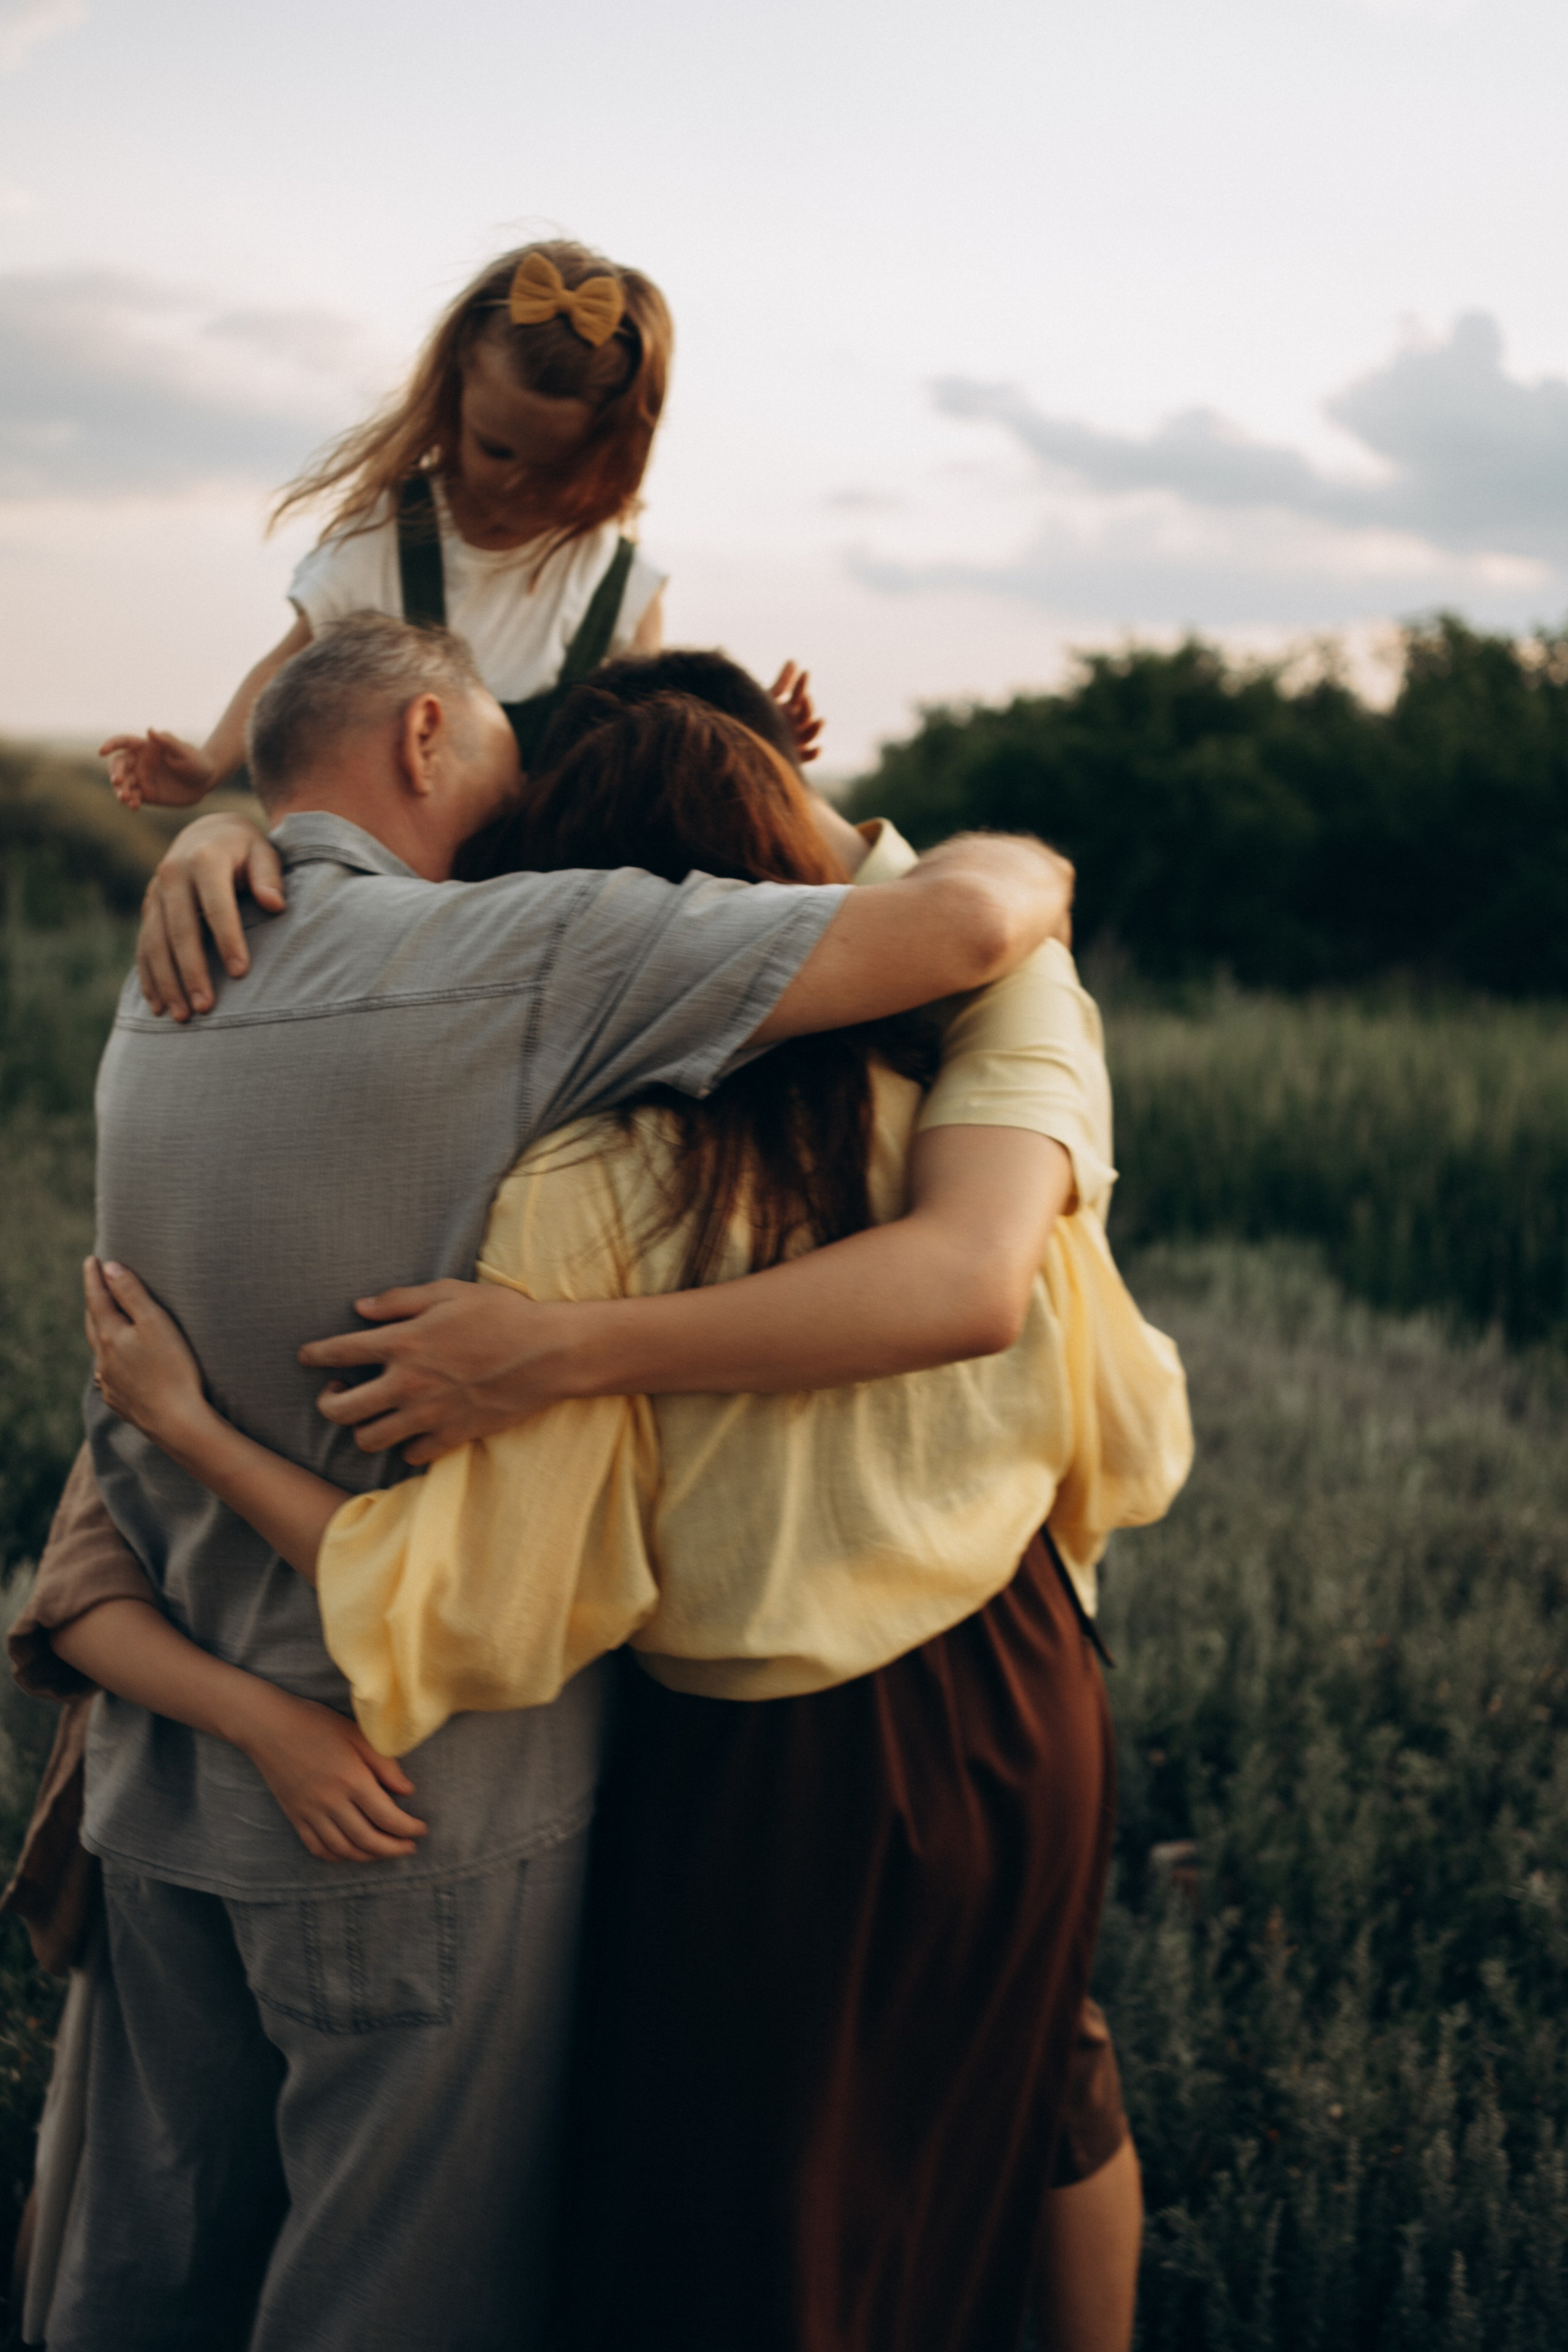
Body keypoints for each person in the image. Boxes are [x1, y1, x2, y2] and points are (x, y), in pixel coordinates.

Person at [55, 679, 1186, 2350]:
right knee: (1014, 2101)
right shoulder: (1004, 1026)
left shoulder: (582, 1198)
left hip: (775, 1747)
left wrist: (191, 1429)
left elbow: (476, 1599)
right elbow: (1105, 1399)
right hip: (1026, 1678)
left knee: (771, 2223)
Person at [96, 235, 822, 859]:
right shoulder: (394, 533)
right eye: (495, 449)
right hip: (386, 887)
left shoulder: (615, 580)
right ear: (454, 386)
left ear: (612, 456)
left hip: (533, 895)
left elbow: (641, 743)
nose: (515, 486)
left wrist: (755, 743)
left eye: (554, 473)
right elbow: (288, 663)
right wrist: (211, 764)